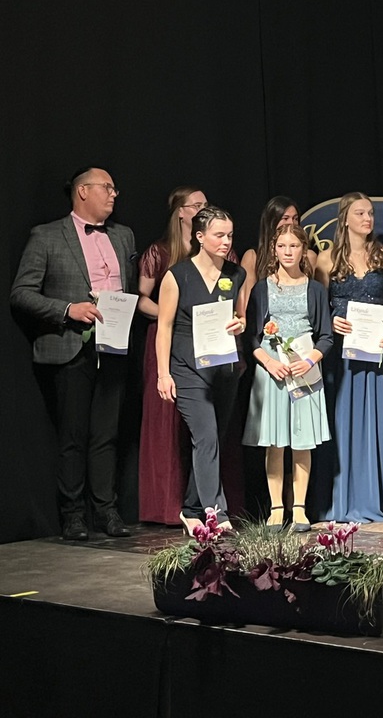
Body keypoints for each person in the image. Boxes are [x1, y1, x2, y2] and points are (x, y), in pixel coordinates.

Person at [11, 167, 136, 540]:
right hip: (70, 346)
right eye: (107, 187)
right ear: (82, 191)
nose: (113, 194)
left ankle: (107, 511)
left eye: (115, 188)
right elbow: (22, 293)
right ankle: (73, 515)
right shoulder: (48, 235)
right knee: (73, 436)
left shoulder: (124, 236)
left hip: (113, 346)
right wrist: (68, 309)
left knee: (107, 436)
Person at [156, 206, 247, 534]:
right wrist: (163, 374)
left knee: (212, 442)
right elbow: (164, 326)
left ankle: (191, 508)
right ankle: (215, 514)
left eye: (230, 235)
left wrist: (240, 324)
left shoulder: (236, 274)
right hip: (188, 368)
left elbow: (241, 316)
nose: (226, 241)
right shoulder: (177, 275)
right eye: (219, 235)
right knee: (206, 436)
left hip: (223, 368)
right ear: (199, 236)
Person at [313, 192, 383, 523]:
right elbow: (318, 308)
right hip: (341, 357)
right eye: (360, 213)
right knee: (342, 422)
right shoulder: (326, 259)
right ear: (345, 219)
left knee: (376, 423)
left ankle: (375, 497)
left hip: (376, 352)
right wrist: (331, 320)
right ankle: (341, 499)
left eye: (370, 213)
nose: (368, 219)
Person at [243, 225, 332, 532]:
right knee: (275, 442)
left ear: (303, 249)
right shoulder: (262, 288)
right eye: (282, 246)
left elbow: (326, 336)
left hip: (303, 370)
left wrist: (309, 361)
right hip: (273, 370)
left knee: (302, 440)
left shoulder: (315, 289)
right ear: (274, 250)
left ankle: (300, 509)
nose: (288, 251)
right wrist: (269, 362)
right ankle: (276, 508)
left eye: (294, 246)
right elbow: (250, 337)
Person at [137, 186, 208, 525]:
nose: (203, 209)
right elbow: (142, 299)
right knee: (167, 420)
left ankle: (207, 503)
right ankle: (166, 505)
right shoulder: (160, 251)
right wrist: (174, 315)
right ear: (181, 212)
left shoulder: (216, 250)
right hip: (167, 341)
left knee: (205, 424)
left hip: (205, 342)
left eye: (206, 204)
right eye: (197, 205)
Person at [240, 196, 317, 311]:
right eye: (285, 218)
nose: (291, 223)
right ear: (271, 222)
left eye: (295, 219)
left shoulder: (309, 256)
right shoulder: (253, 257)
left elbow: (317, 300)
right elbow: (246, 305)